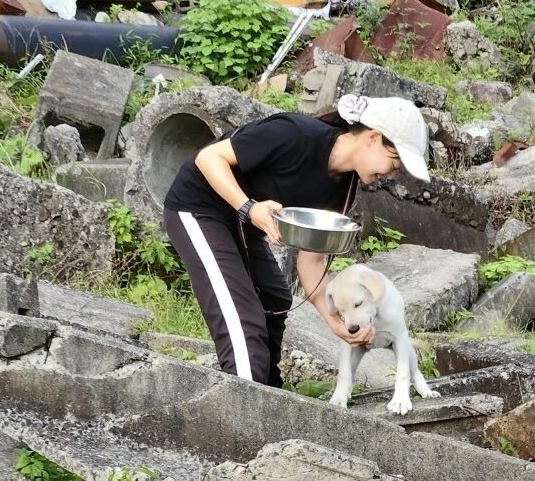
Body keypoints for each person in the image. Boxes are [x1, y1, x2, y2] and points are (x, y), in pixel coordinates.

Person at [162, 93, 430, 388]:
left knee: (275, 299)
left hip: (242, 225)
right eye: (395, 162)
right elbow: (208, 158)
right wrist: (249, 208)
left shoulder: (344, 190)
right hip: (198, 208)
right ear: (373, 138)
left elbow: (311, 261)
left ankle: (269, 391)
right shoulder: (295, 135)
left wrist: (337, 323)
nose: (392, 175)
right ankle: (243, 410)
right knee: (243, 321)